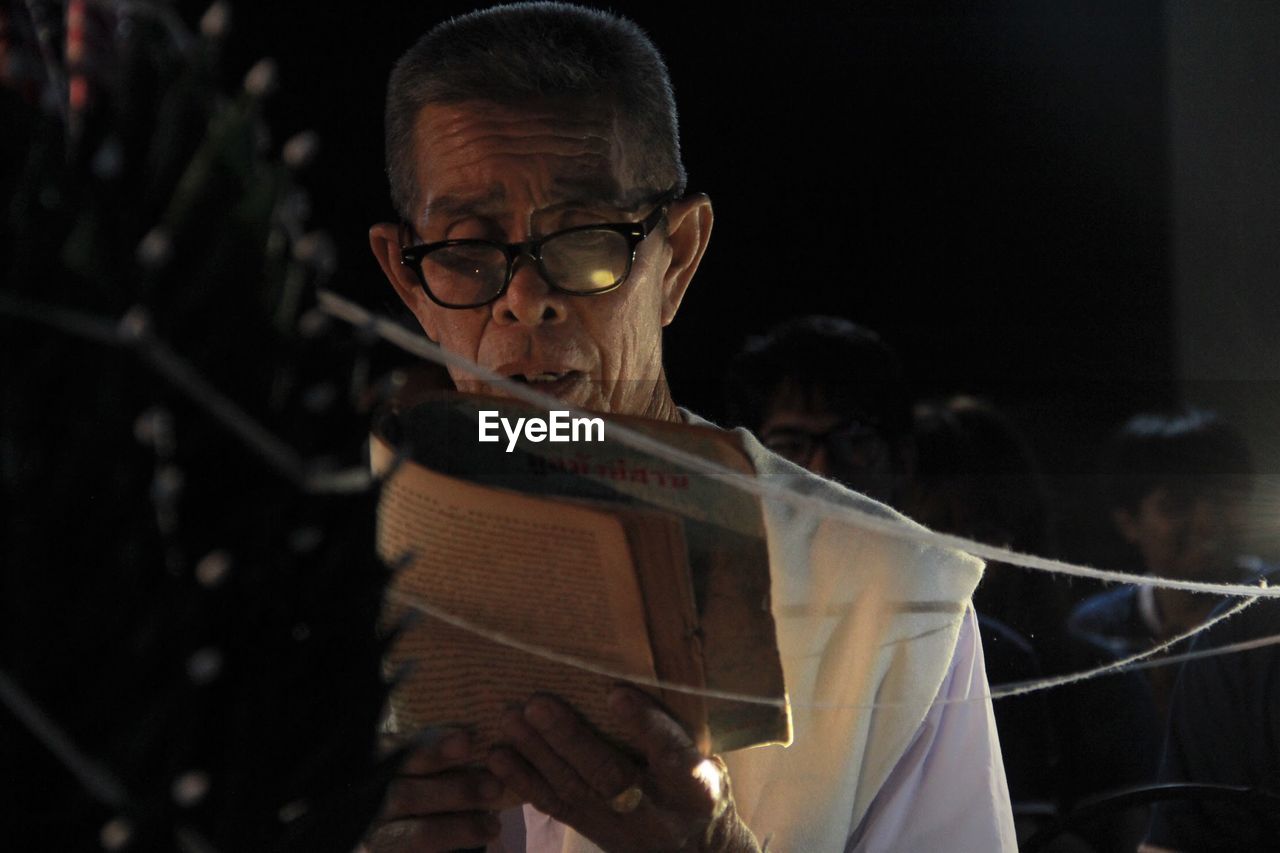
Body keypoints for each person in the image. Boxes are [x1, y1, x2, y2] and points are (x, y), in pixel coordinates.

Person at [366, 4, 1014, 850]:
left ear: (677, 254)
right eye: (466, 251)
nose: (525, 299)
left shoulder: (886, 600)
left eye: (584, 239)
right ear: (406, 278)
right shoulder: (288, 587)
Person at [1068, 409, 1263, 719]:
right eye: (1177, 505)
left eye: (1222, 499)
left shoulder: (1272, 606)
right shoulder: (1100, 630)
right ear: (1129, 522)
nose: (1206, 523)